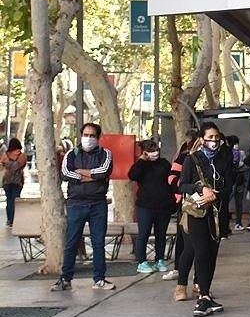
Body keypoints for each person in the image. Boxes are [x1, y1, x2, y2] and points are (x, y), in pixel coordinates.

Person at [177, 121, 234, 316]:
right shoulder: (192, 159)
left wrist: (216, 195)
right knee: (200, 252)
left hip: (218, 213)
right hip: (198, 213)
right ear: (202, 139)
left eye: (217, 137)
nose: (214, 141)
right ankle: (201, 296)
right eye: (210, 137)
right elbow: (182, 185)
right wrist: (201, 189)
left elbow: (230, 186)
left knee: (212, 253)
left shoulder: (224, 159)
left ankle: (206, 294)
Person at [52, 123, 116, 291]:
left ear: (98, 137)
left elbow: (104, 172)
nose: (88, 138)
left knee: (98, 243)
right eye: (86, 134)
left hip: (98, 204)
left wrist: (81, 172)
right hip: (76, 204)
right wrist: (92, 176)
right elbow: (66, 173)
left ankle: (99, 279)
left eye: (92, 135)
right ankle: (65, 279)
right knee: (72, 242)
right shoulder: (71, 154)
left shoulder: (105, 154)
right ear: (81, 135)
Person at [128, 139, 175, 274]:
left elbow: (171, 179)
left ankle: (159, 259)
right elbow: (132, 175)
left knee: (161, 234)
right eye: (151, 151)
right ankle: (142, 261)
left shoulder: (164, 163)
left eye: (156, 150)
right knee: (144, 233)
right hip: (145, 206)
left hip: (163, 206)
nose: (154, 153)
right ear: (144, 152)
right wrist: (142, 161)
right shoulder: (141, 165)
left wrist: (172, 201)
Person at [163, 129, 198, 285]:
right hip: (186, 204)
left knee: (198, 244)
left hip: (204, 204)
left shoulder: (208, 158)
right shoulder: (185, 157)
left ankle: (198, 278)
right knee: (185, 240)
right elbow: (172, 177)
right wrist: (182, 192)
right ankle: (181, 275)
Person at [1, 138, 28, 227]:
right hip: (18, 180)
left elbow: (3, 165)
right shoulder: (22, 156)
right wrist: (15, 165)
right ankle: (14, 219)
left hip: (7, 180)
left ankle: (9, 220)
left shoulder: (5, 155)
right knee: (15, 200)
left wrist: (7, 164)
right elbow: (18, 166)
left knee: (9, 200)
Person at [228, 135, 249, 231]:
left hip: (232, 180)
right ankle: (238, 223)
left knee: (228, 201)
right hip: (239, 179)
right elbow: (245, 164)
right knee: (238, 202)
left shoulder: (228, 153)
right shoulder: (240, 152)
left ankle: (228, 224)